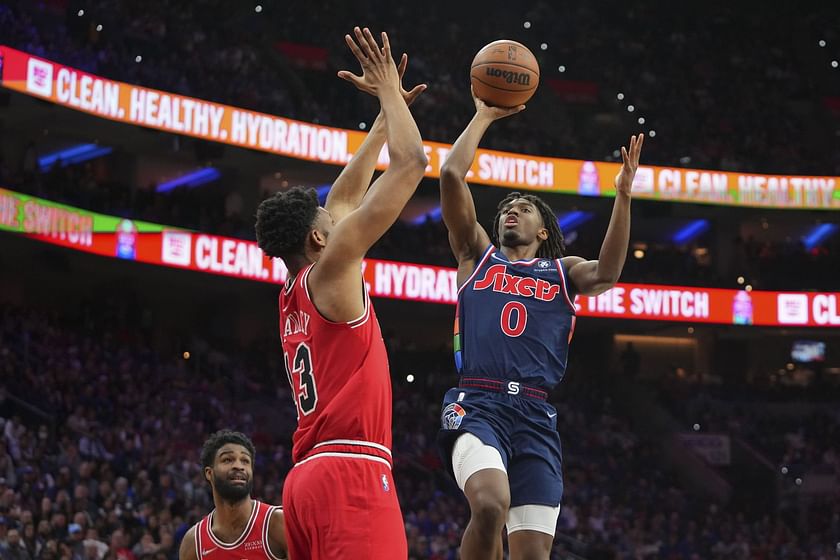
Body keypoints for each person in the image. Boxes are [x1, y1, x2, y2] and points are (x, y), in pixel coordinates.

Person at [437, 89, 644, 559]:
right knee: (490, 506)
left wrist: (623, 197)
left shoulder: (563, 270)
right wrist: (482, 117)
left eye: (525, 207)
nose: (512, 209)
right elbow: (451, 173)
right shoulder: (476, 255)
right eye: (507, 205)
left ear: (544, 230)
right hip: (478, 401)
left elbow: (608, 273)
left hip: (535, 415)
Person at [254, 27, 427, 559]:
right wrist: (392, 93)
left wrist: (381, 119)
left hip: (304, 481)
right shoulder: (331, 269)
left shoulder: (293, 293)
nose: (338, 212)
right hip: (351, 471)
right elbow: (413, 163)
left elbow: (346, 195)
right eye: (330, 220)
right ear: (318, 238)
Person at [178, 431, 286, 560]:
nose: (238, 466)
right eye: (227, 460)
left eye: (245, 461)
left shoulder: (277, 523)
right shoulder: (194, 543)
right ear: (209, 473)